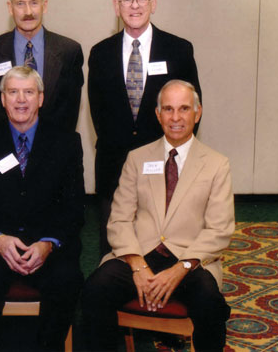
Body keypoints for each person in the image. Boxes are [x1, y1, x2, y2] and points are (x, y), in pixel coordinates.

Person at [82, 80, 234, 352]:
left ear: (197, 113)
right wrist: (138, 266)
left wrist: (180, 269)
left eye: (184, 109)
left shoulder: (216, 164)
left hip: (190, 259)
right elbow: (119, 219)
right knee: (95, 289)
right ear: (158, 114)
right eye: (168, 109)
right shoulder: (137, 158)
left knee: (210, 302)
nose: (176, 118)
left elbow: (219, 229)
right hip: (139, 254)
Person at [0, 66, 85, 350]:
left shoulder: (66, 142)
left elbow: (74, 205)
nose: (21, 100)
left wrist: (47, 244)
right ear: (2, 99)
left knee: (67, 280)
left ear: (40, 98)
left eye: (28, 92)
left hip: (47, 245)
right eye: (13, 92)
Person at [88, 0, 202, 255]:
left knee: (164, 248)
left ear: (154, 3)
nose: (135, 6)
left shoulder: (179, 50)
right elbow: (98, 114)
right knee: (113, 253)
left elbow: (191, 113)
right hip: (114, 166)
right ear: (116, 6)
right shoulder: (100, 53)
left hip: (165, 165)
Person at [0, 0, 84, 132]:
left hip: (53, 150)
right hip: (6, 150)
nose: (28, 12)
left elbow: (70, 114)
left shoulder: (69, 52)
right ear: (10, 8)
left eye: (34, 3)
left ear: (44, 6)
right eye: (20, 4)